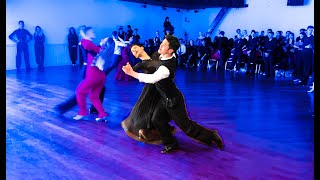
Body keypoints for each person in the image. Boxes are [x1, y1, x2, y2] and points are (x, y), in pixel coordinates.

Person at [122, 35, 224, 153]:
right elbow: (152, 61)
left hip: (173, 100)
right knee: (157, 119)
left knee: (186, 127)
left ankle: (211, 135)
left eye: (164, 45)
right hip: (165, 98)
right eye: (162, 42)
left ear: (171, 50)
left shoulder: (166, 68)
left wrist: (132, 73)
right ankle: (171, 143)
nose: (161, 45)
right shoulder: (165, 56)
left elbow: (152, 78)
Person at [121, 51, 176, 144]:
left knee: (153, 110)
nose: (134, 51)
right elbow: (133, 71)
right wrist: (129, 71)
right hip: (151, 88)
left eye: (135, 48)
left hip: (158, 88)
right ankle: (147, 130)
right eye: (133, 51)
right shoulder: (143, 63)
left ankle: (150, 130)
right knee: (148, 109)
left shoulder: (159, 60)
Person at [73, 27, 109, 121]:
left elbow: (86, 44)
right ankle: (102, 114)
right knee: (93, 96)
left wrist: (83, 39)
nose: (94, 32)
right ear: (87, 33)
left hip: (94, 74)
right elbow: (89, 46)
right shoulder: (89, 44)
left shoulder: (87, 43)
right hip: (100, 76)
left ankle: (82, 112)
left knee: (79, 91)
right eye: (92, 31)